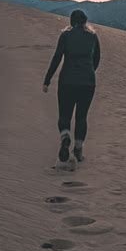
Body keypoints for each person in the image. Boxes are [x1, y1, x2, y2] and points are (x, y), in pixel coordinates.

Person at [42, 9, 101, 163]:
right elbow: (97, 59)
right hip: (88, 83)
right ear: (85, 21)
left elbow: (57, 58)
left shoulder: (66, 35)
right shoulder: (93, 36)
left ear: (71, 21)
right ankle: (78, 149)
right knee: (81, 117)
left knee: (64, 115)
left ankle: (65, 137)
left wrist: (47, 80)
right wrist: (88, 72)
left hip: (67, 81)